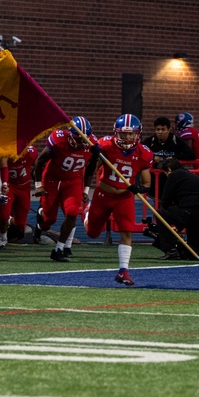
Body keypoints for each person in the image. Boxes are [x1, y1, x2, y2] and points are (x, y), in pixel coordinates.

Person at [84, 114, 155, 286]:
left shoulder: (144, 153)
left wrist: (139, 188)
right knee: (92, 234)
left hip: (124, 196)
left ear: (137, 134)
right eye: (123, 134)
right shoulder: (106, 145)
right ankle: (87, 212)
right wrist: (94, 157)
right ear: (116, 133)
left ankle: (123, 271)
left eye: (131, 134)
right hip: (103, 194)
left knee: (126, 231)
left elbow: (147, 182)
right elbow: (91, 172)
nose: (127, 137)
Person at [33, 116, 98, 259]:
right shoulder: (59, 139)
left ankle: (59, 249)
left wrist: (86, 190)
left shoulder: (92, 143)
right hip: (52, 180)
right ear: (71, 135)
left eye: (84, 138)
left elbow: (91, 168)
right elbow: (39, 162)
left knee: (73, 212)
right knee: (48, 221)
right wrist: (38, 185)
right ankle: (41, 217)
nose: (82, 142)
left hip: (72, 181)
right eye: (79, 138)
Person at [154, 157, 199, 262]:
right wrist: (179, 226)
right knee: (194, 251)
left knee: (161, 214)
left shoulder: (174, 176)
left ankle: (171, 250)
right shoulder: (191, 176)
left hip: (191, 214)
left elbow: (165, 201)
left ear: (169, 170)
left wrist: (175, 227)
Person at [0, 143, 39, 245]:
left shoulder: (30, 152)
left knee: (21, 224)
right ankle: (3, 238)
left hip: (24, 187)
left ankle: (8, 222)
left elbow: (39, 166)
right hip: (10, 186)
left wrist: (39, 183)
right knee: (4, 214)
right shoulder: (4, 154)